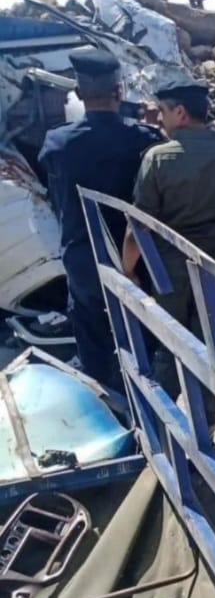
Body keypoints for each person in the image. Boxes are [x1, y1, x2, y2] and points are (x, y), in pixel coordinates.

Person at [123, 75, 215, 429]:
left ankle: (160, 425)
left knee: (170, 342)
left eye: (163, 111)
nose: (160, 119)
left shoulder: (158, 159)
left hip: (169, 269)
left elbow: (138, 226)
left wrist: (128, 270)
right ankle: (207, 429)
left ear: (180, 113)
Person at [38, 51, 161, 389]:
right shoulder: (145, 138)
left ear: (78, 93)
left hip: (84, 254)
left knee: (92, 338)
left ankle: (107, 404)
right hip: (137, 257)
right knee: (142, 337)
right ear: (120, 91)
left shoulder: (58, 141)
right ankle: (143, 402)